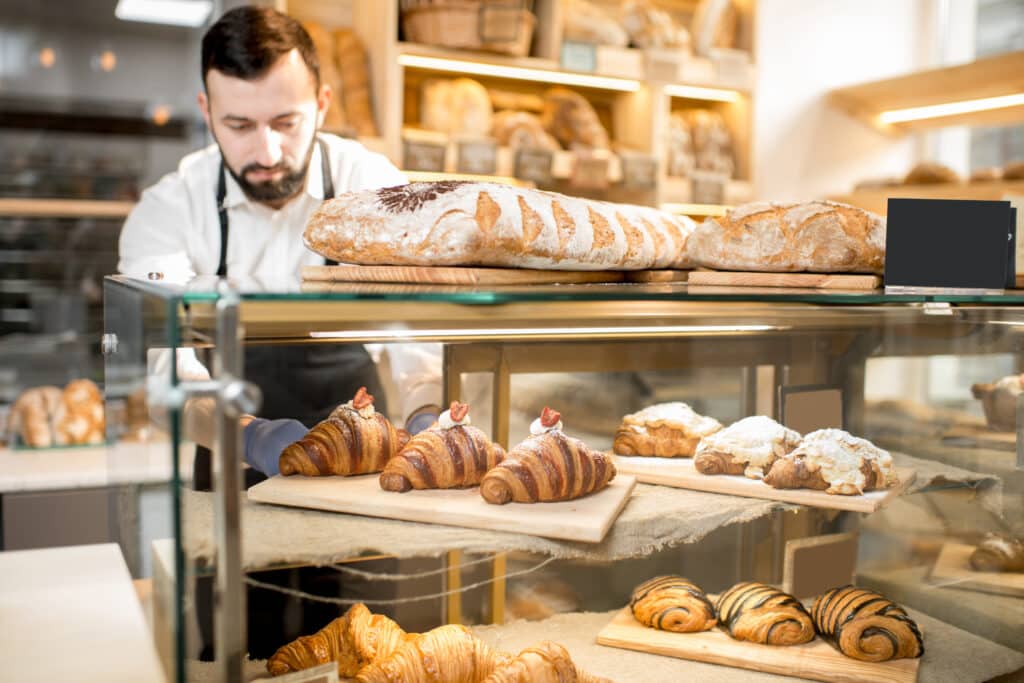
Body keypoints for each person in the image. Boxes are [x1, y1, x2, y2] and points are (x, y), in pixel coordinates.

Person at [118, 6, 441, 659]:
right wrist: (252, 436)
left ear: (322, 103)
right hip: (233, 453)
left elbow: (417, 328)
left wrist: (428, 419)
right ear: (207, 110)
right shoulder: (168, 208)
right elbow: (163, 364)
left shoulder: (372, 186)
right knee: (243, 647)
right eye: (239, 125)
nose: (266, 152)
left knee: (364, 641)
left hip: (366, 453)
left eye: (286, 122)